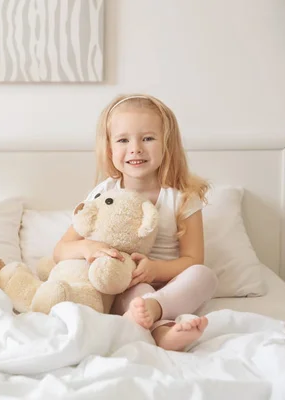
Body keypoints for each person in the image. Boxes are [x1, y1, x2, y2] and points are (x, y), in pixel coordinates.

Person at [53, 94, 218, 351]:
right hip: (124, 287)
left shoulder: (182, 197)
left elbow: (193, 260)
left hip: (171, 287)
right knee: (138, 292)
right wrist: (88, 248)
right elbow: (60, 250)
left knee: (204, 276)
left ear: (167, 144)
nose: (135, 148)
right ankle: (161, 331)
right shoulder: (103, 194)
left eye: (148, 138)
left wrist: (155, 270)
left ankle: (156, 315)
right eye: (123, 140)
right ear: (109, 149)